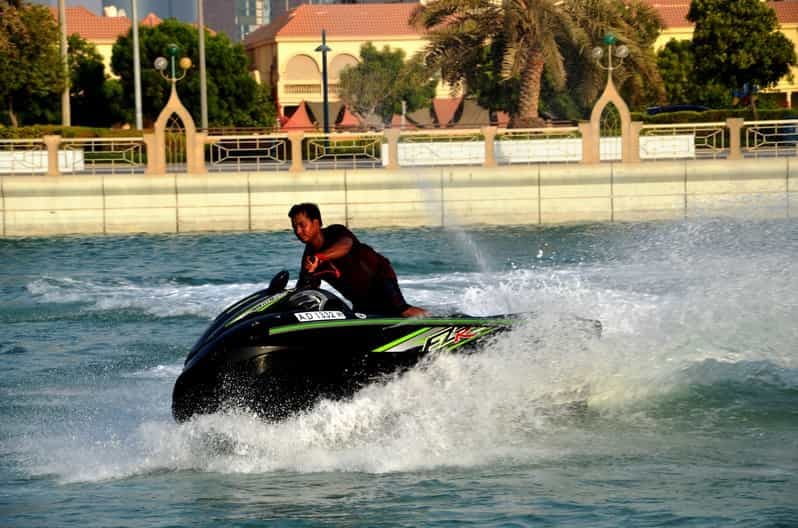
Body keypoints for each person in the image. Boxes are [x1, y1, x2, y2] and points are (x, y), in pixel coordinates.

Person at [288, 203, 427, 317]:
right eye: (295, 227)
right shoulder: (308, 258)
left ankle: (443, 326)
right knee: (364, 322)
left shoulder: (336, 232)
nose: (298, 231)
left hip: (378, 276)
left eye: (302, 225)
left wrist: (320, 257)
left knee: (401, 310)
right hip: (359, 295)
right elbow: (306, 290)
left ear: (316, 223)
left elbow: (345, 246)